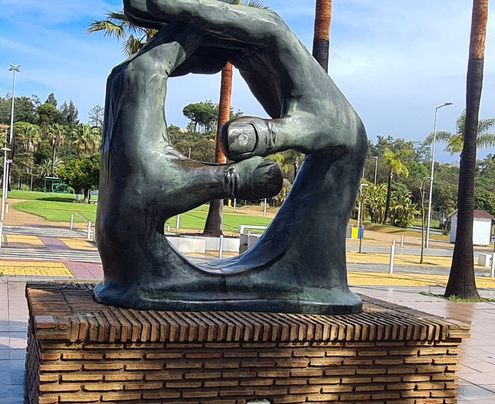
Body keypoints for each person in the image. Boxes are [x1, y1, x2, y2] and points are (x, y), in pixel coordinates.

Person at [95, 0, 368, 314]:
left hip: (135, 278)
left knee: (134, 75)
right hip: (146, 280)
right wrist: (228, 179)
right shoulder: (342, 140)